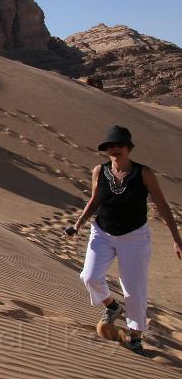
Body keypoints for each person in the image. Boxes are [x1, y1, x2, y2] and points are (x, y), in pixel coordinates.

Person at [65, 125, 181, 354]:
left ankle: (135, 334)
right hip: (102, 232)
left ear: (128, 148)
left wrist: (177, 239)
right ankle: (112, 306)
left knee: (133, 288)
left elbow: (162, 205)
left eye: (119, 145)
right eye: (110, 146)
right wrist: (77, 225)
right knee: (89, 276)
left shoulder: (143, 173)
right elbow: (95, 200)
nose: (114, 149)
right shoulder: (100, 170)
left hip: (134, 237)